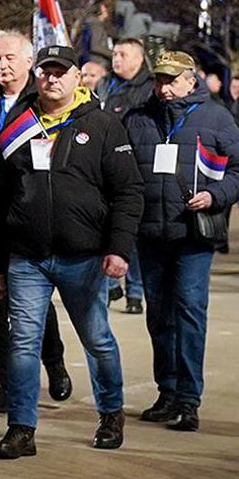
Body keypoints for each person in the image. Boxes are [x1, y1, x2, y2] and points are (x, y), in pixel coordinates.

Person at [0, 44, 142, 456]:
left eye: (61, 72)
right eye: (46, 72)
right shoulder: (17, 125)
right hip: (27, 257)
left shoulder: (103, 125)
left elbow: (128, 192)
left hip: (84, 256)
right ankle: (21, 428)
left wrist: (119, 248)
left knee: (97, 339)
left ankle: (111, 413)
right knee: (22, 343)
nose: (52, 79)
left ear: (77, 78)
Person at [124, 50, 239, 433]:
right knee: (159, 316)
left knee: (189, 311)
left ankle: (189, 399)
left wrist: (216, 196)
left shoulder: (217, 118)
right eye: (159, 79)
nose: (163, 87)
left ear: (192, 80)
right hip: (151, 235)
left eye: (171, 80)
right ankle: (167, 391)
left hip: (193, 235)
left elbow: (237, 170)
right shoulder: (139, 119)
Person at [0, 30, 70, 416]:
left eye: (10, 58)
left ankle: (54, 362)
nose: (2, 65)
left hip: (27, 219)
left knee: (33, 304)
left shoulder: (41, 106)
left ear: (29, 63)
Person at [102, 39, 153, 314]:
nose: (116, 59)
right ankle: (111, 286)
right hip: (107, 166)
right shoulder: (108, 85)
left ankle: (135, 291)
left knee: (131, 232)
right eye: (114, 54)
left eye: (123, 54)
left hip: (135, 168)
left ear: (139, 58)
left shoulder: (148, 88)